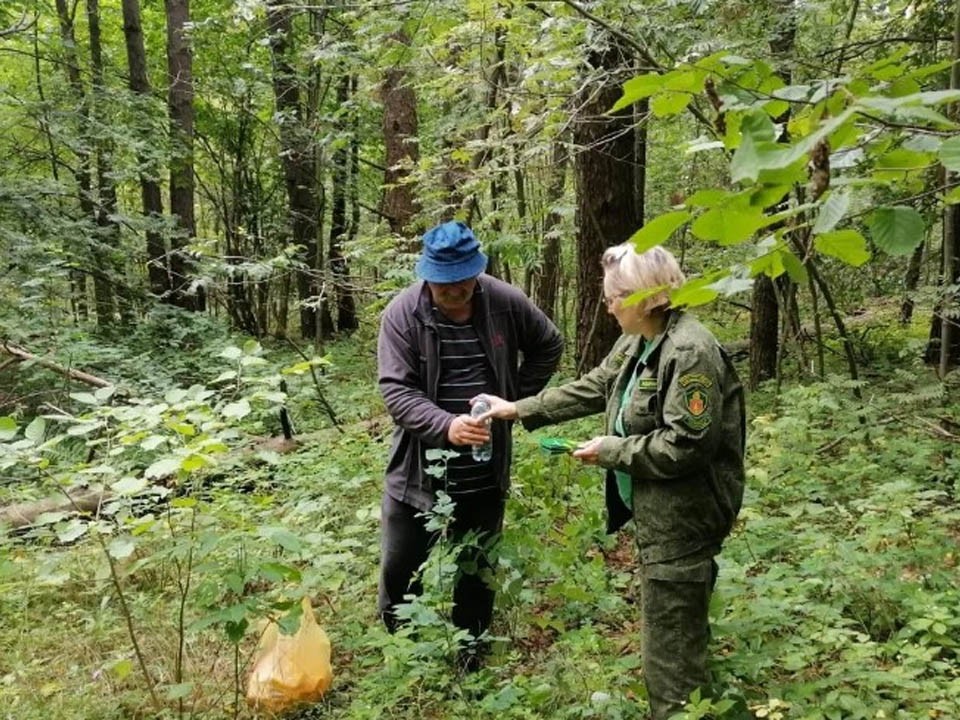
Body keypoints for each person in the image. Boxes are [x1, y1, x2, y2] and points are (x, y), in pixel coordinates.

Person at [475, 243, 745, 718]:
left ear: (644, 297)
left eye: (613, 297)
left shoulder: (689, 351)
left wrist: (611, 451)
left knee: (670, 659)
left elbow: (687, 445)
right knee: (675, 628)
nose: (607, 306)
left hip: (685, 516)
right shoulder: (638, 340)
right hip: (657, 510)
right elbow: (598, 384)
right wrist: (517, 408)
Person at [376, 220, 563, 662]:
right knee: (401, 568)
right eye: (445, 286)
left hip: (485, 469)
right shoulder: (402, 315)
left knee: (477, 570)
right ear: (428, 277)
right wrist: (447, 426)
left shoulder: (504, 301)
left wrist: (513, 400)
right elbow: (397, 392)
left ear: (476, 272)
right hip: (417, 471)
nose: (456, 293)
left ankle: (471, 656)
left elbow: (548, 345)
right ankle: (398, 655)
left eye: (463, 283)